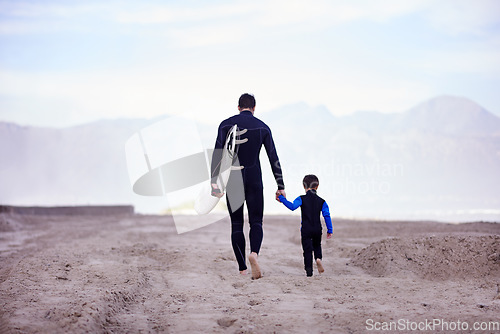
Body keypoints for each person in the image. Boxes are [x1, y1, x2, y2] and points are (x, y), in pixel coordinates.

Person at [211, 93, 285, 279]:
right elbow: (273, 158)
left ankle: (243, 268)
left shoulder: (226, 125)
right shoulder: (263, 127)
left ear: (238, 107)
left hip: (234, 179)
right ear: (254, 108)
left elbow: (218, 155)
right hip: (254, 178)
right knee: (256, 222)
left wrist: (215, 182)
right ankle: (254, 254)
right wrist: (280, 185)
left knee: (237, 224)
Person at [278, 174, 333, 277]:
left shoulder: (301, 199)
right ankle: (318, 259)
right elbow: (327, 215)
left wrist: (281, 198)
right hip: (317, 229)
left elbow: (292, 206)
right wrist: (330, 229)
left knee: (307, 250)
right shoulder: (322, 201)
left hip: (306, 229)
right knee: (317, 245)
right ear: (317, 186)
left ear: (304, 186)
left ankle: (309, 272)